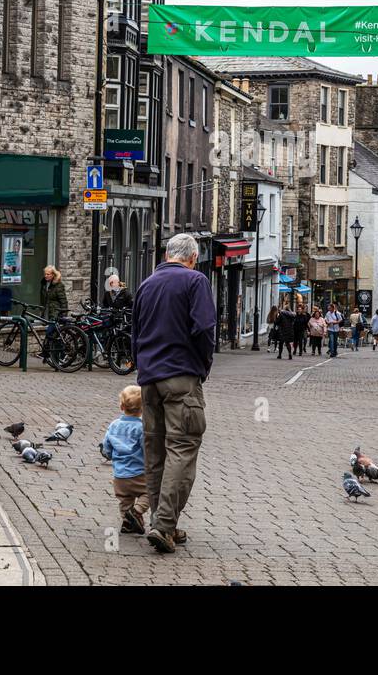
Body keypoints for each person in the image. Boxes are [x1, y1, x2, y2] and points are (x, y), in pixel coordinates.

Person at [132, 233, 215, 554]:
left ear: (167, 255)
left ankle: (162, 523)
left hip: (149, 379)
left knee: (155, 454)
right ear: (192, 258)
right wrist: (202, 366)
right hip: (181, 376)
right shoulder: (196, 281)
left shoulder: (146, 284)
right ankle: (164, 525)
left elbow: (135, 332)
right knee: (182, 449)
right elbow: (204, 328)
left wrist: (142, 366)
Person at [103, 385, 148, 535]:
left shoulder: (114, 425)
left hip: (120, 475)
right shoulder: (141, 428)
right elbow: (145, 448)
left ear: (122, 406)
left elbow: (106, 447)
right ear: (142, 408)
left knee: (124, 500)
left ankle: (127, 522)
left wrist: (110, 455)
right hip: (139, 474)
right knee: (152, 493)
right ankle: (136, 512)